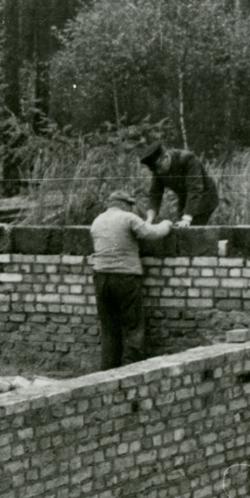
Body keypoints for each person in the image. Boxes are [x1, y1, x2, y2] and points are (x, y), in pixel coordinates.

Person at [90, 191, 172, 371]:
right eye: (130, 205)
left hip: (101, 277)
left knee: (109, 328)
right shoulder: (128, 217)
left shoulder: (97, 221)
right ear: (125, 204)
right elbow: (151, 233)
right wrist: (166, 224)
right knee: (133, 326)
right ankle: (131, 370)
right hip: (125, 277)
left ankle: (108, 371)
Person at [140, 142, 220, 227]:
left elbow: (194, 189)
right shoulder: (158, 169)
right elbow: (155, 194)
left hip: (205, 197)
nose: (158, 172)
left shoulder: (188, 160)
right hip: (185, 199)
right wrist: (149, 220)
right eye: (155, 170)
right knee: (181, 229)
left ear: (166, 157)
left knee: (193, 229)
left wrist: (186, 219)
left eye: (159, 167)